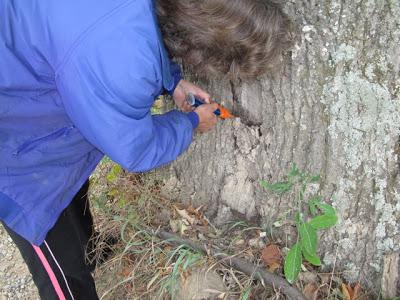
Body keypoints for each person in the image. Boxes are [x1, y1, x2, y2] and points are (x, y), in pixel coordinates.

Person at [0, 0, 292, 299]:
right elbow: (135, 148)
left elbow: (133, 32)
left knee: (70, 184)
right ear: (201, 49)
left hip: (25, 75)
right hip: (16, 160)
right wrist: (189, 122)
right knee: (59, 262)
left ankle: (90, 251)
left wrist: (173, 81)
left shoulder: (137, 18)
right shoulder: (118, 62)